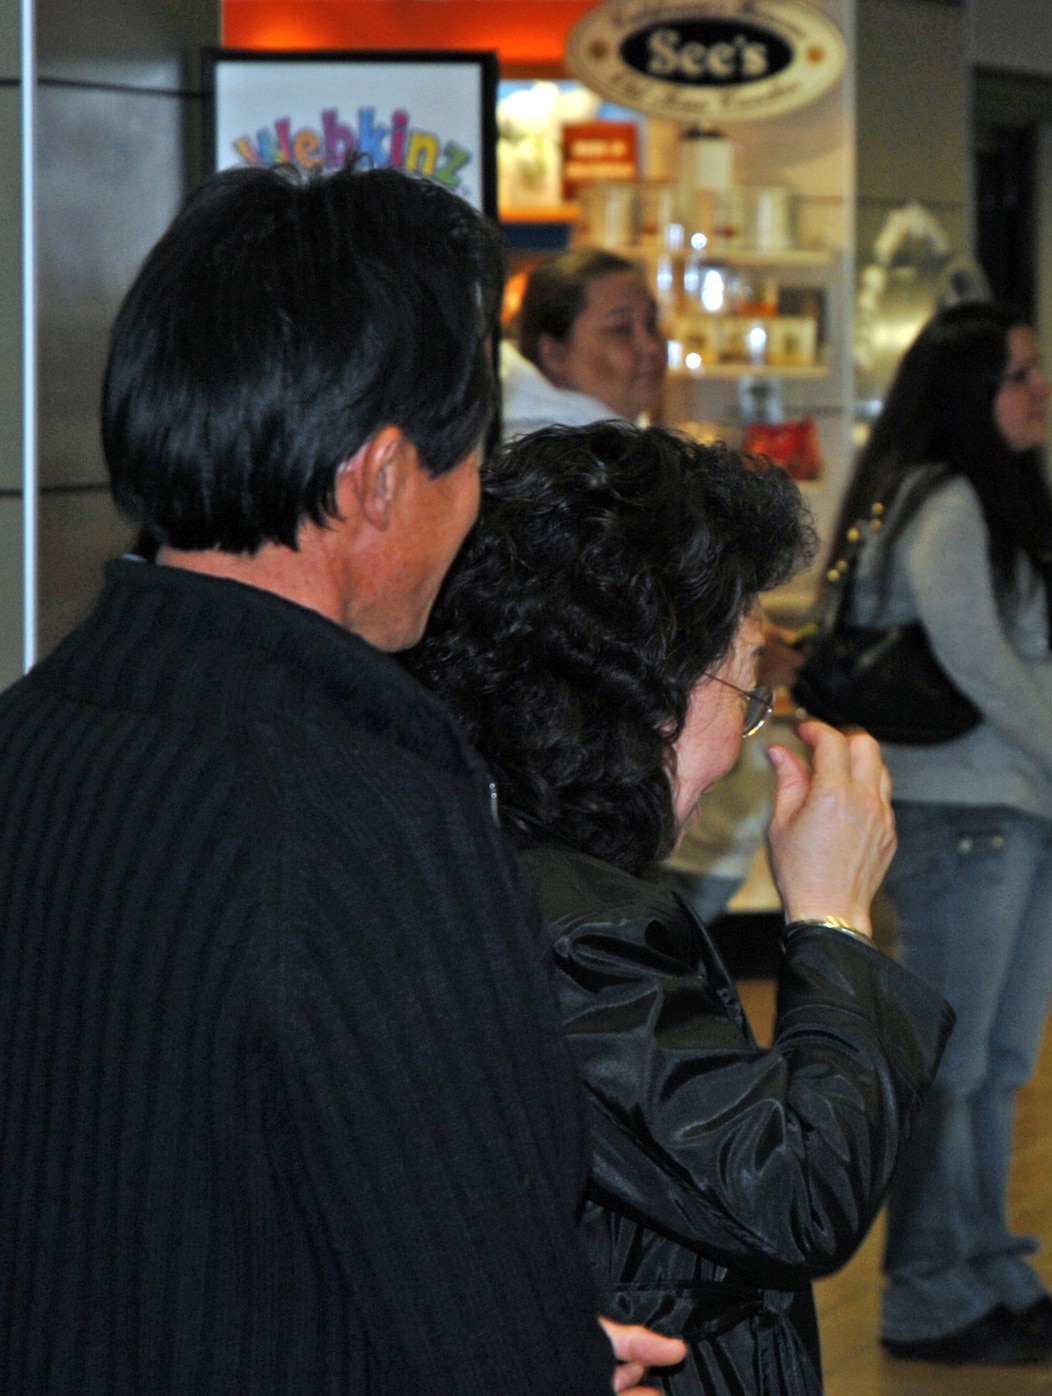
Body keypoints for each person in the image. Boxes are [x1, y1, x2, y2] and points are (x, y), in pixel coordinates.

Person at [0, 166, 679, 1394]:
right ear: (376, 479)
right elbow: (474, 1279)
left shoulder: (32, 735)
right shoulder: (367, 814)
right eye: (468, 459)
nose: (474, 502)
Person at [404, 420, 954, 1394]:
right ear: (648, 684)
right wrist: (831, 918)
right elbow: (790, 1195)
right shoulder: (582, 929)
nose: (744, 742)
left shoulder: (462, 840)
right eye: (743, 686)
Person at [825, 300, 1052, 1363]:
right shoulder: (944, 502)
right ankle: (925, 1294)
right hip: (962, 809)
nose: (1039, 389)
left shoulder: (1002, 501)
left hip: (1026, 807)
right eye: (1018, 375)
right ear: (967, 395)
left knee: (997, 1063)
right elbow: (979, 661)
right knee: (952, 1066)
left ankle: (988, 1268)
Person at [503, 247, 667, 437]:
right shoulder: (548, 456)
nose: (652, 348)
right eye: (621, 330)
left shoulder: (614, 438)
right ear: (554, 354)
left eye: (651, 323)